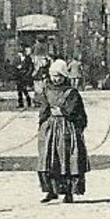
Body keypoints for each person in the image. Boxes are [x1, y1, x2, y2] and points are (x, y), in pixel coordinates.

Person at [36, 58, 90, 204]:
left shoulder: (71, 92)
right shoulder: (47, 90)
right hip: (51, 128)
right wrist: (42, 124)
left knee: (66, 160)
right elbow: (44, 108)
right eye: (53, 76)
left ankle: (68, 193)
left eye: (59, 76)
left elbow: (76, 111)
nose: (56, 79)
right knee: (49, 159)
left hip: (67, 129)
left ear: (64, 76)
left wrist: (64, 112)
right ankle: (51, 191)